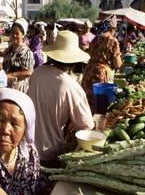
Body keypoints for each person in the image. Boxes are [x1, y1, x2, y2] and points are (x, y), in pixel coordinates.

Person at [27, 31, 95, 166]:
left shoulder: (38, 72)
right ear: (74, 62)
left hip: (27, 148)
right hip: (50, 152)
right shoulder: (71, 86)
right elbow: (87, 124)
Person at [80, 15, 122, 111]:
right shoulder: (113, 41)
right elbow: (117, 64)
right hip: (101, 73)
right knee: (99, 104)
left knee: (86, 102)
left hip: (89, 70)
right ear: (113, 28)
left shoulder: (96, 38)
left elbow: (90, 53)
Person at [2, 18, 34, 93]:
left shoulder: (26, 52)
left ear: (23, 35)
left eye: (17, 33)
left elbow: (29, 72)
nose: (14, 35)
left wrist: (12, 75)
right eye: (12, 32)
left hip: (20, 88)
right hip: (7, 86)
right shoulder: (9, 49)